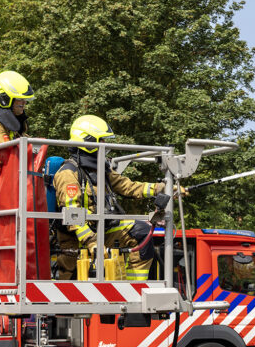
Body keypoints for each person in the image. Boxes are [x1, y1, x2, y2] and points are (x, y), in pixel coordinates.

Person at [53, 115, 185, 280]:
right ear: (88, 142)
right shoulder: (68, 173)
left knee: (141, 232)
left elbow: (128, 187)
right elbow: (73, 215)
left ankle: (134, 287)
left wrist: (161, 188)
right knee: (73, 283)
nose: (105, 146)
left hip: (102, 231)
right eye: (101, 142)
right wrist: (93, 243)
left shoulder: (101, 170)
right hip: (76, 240)